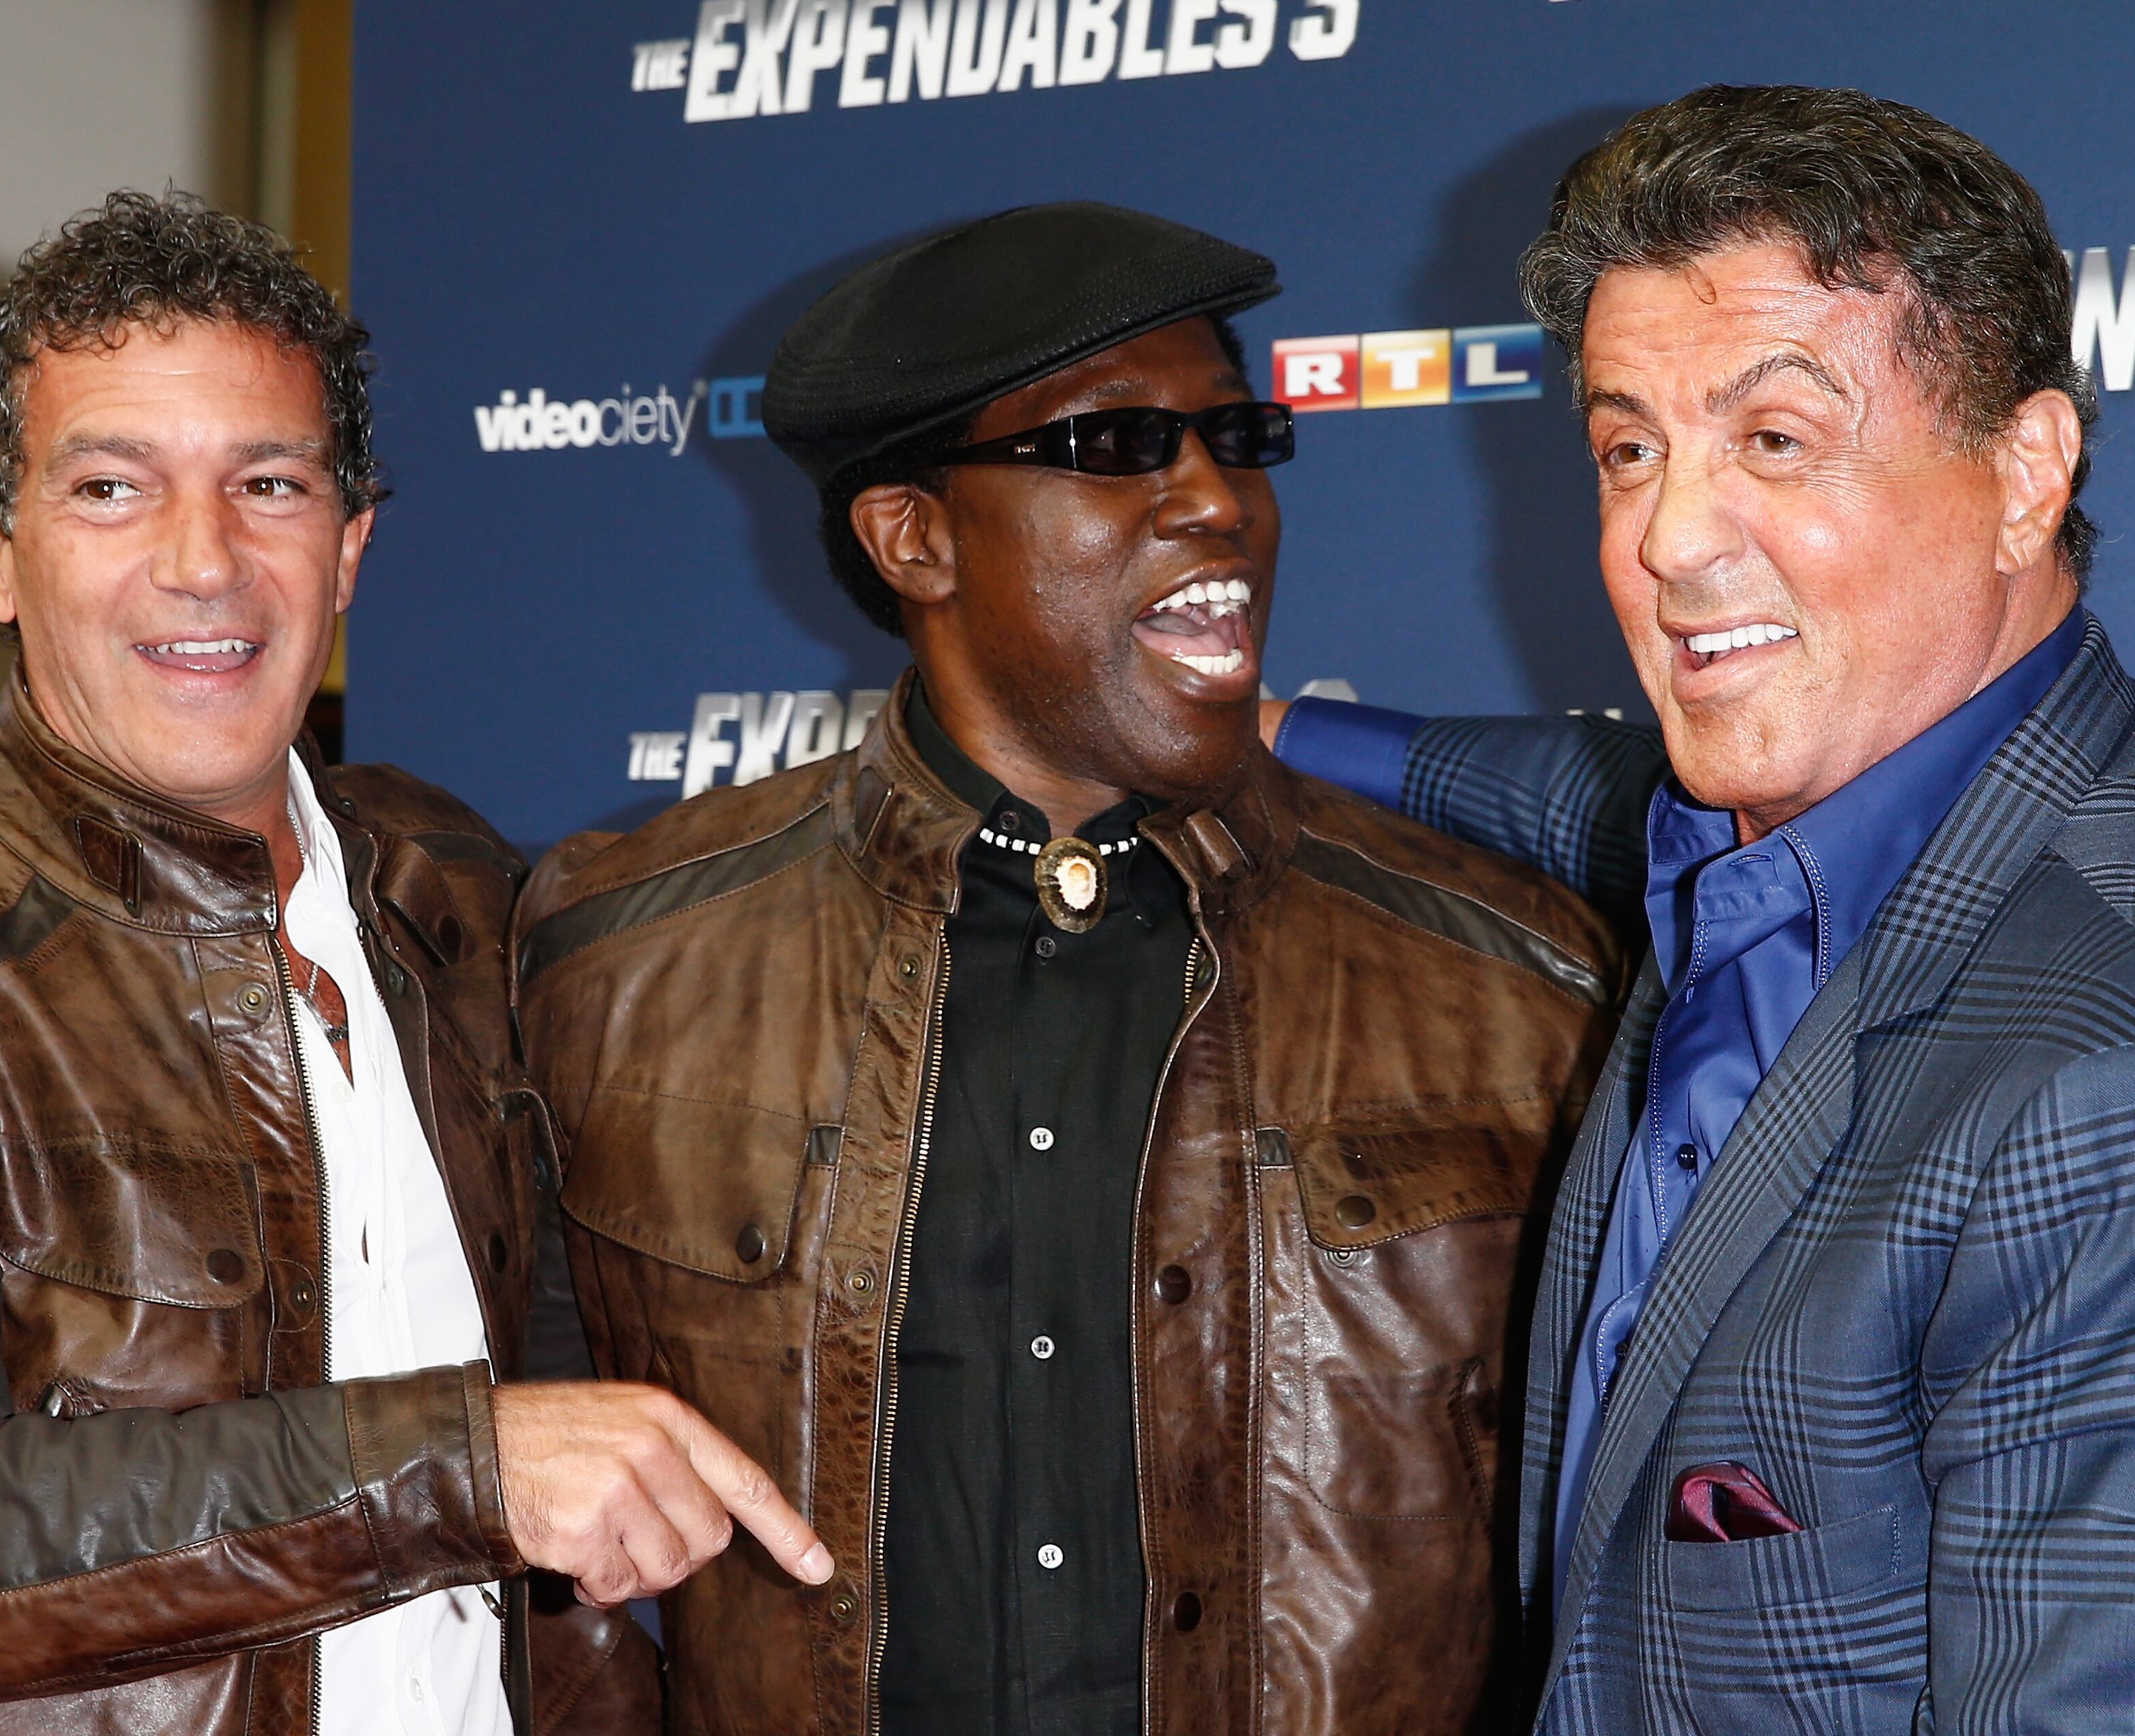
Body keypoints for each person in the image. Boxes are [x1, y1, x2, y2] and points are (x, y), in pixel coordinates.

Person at [1270, 86, 2135, 1733]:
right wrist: (1255, 731)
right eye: (1626, 446)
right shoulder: (1874, 786)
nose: (1669, 536)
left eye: (1773, 440)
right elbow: (1565, 789)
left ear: (2023, 470)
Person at [512, 201, 1622, 1735]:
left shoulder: (1521, 985)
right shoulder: (615, 958)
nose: (1216, 499)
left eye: (1236, 438)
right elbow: (526, 1565)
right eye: (1116, 450)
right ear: (917, 538)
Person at [0, 191, 829, 1735]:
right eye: (113, 487)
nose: (205, 562)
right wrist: (458, 1466)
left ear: (350, 547)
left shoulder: (452, 897)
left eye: (269, 482)